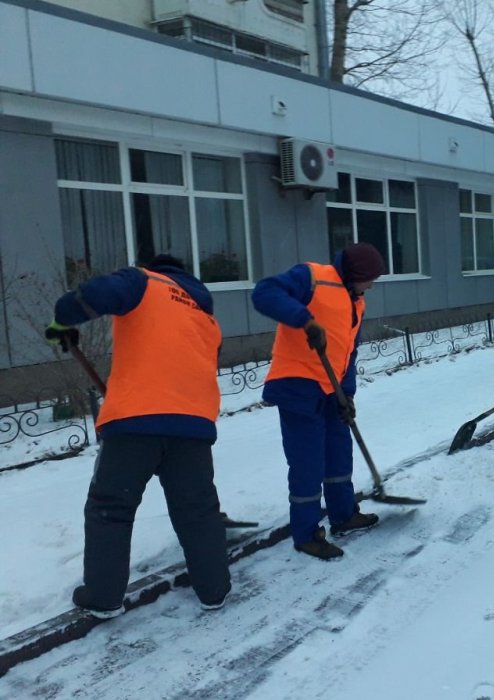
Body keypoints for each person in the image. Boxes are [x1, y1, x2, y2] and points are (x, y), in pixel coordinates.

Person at [45, 254, 231, 618]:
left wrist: (61, 318)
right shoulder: (206, 316)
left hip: (136, 422)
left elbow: (96, 294)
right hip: (192, 425)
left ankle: (103, 597)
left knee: (111, 507)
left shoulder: (143, 281)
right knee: (198, 510)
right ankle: (215, 590)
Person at [251, 243, 385, 560]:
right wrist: (305, 320)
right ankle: (306, 533)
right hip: (298, 385)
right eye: (370, 279)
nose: (372, 285)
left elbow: (348, 352)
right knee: (307, 463)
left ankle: (343, 515)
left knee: (339, 455)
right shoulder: (312, 277)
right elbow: (264, 293)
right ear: (356, 274)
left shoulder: (357, 301)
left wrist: (347, 394)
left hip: (332, 388)